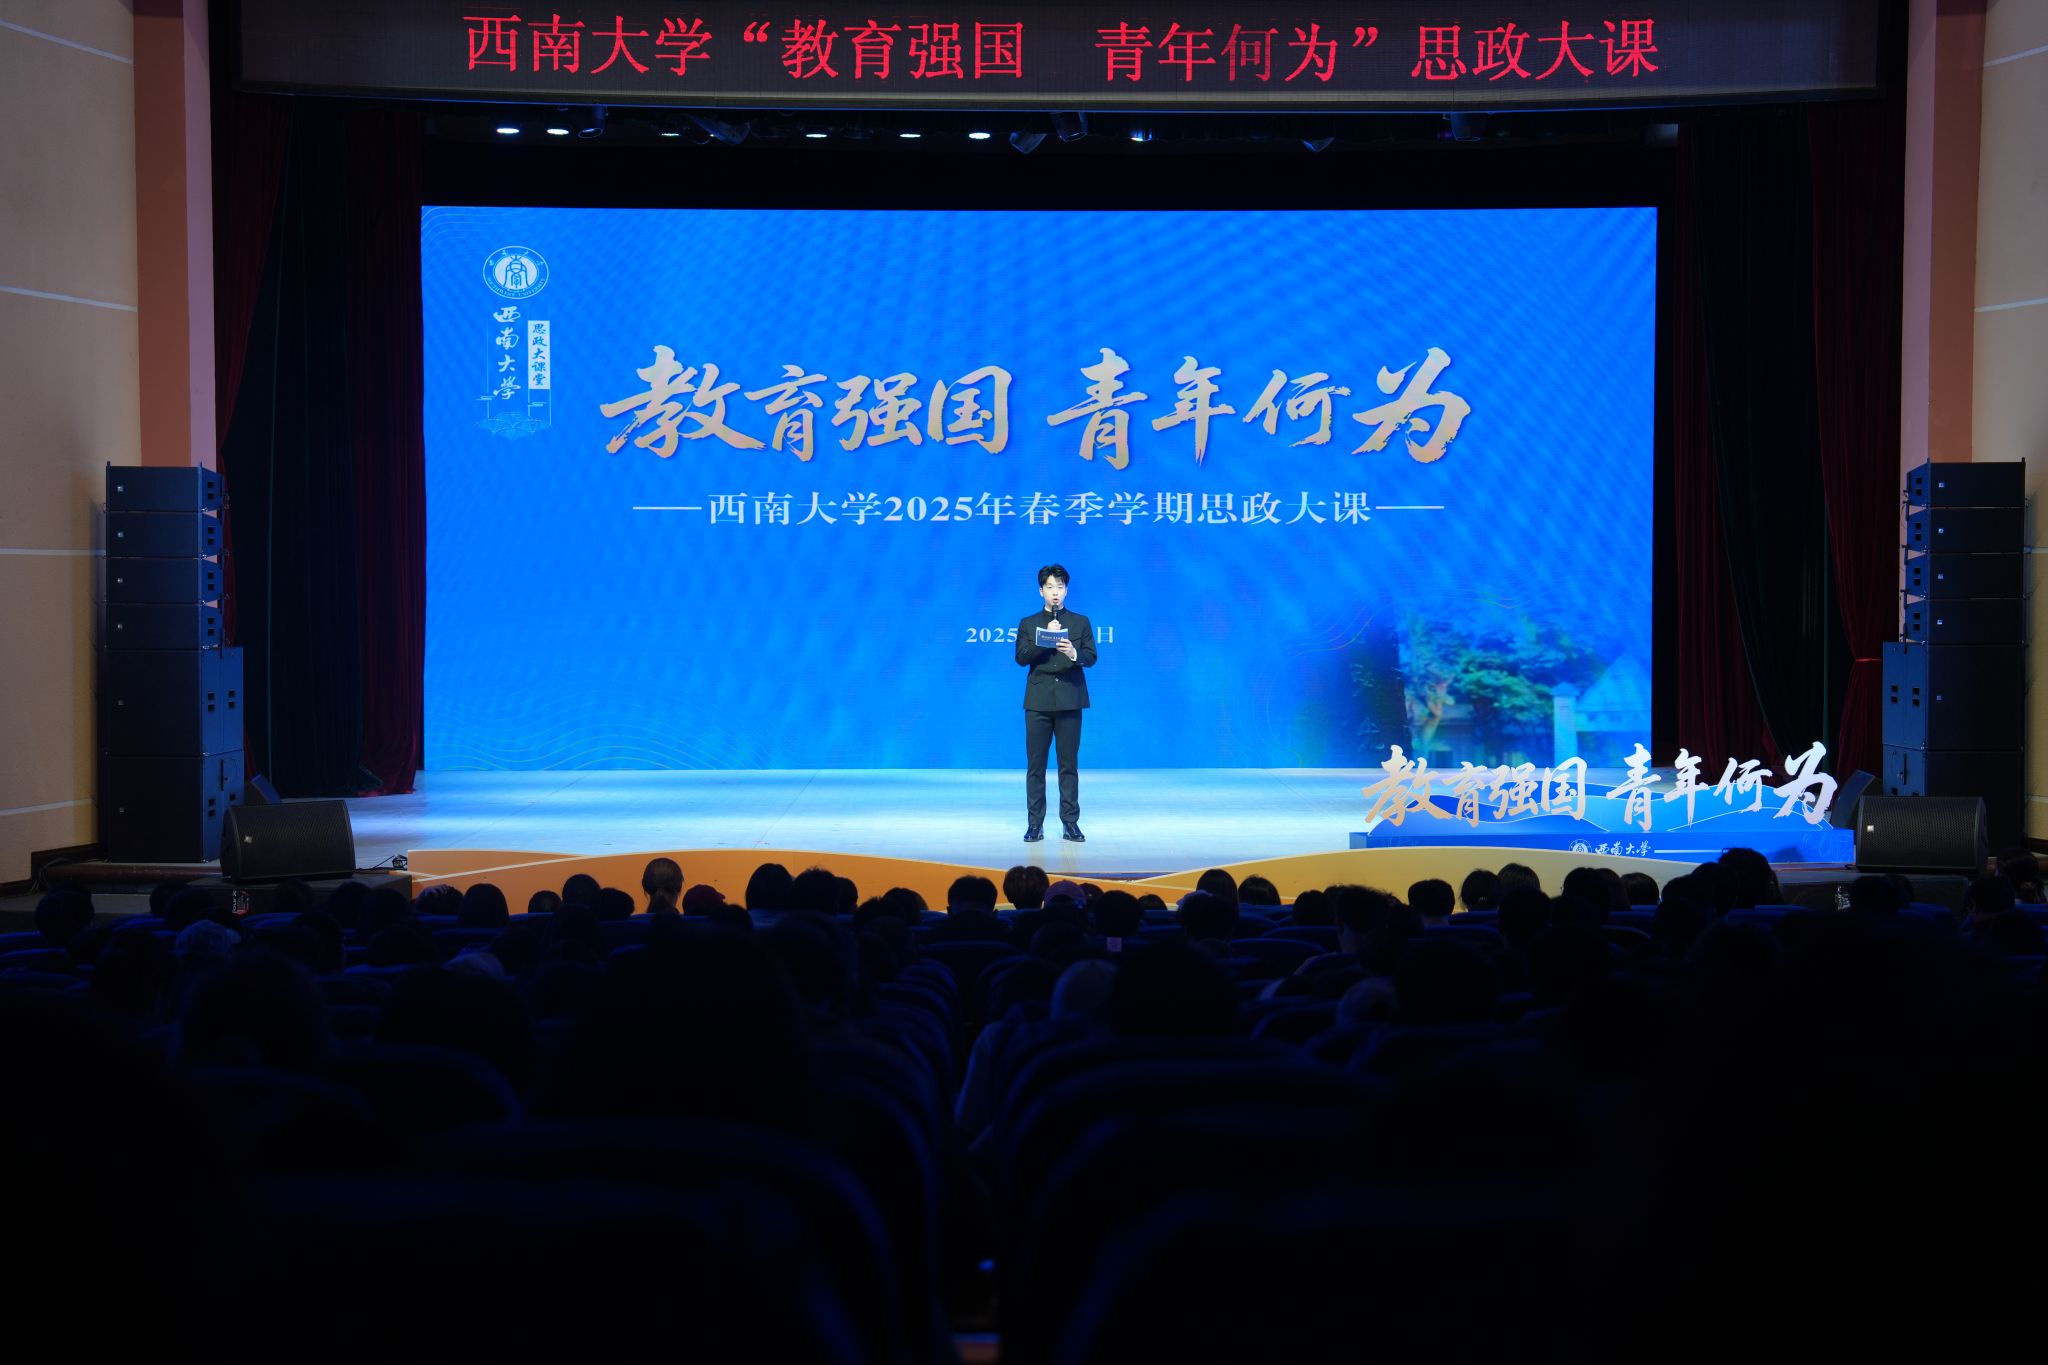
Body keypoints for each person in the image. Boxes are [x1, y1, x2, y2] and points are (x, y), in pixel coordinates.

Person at [1014, 562, 1098, 842]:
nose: (1055, 592)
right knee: (1036, 766)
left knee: (1068, 765)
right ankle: (1035, 824)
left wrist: (1074, 653)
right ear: (1041, 591)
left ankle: (1070, 823)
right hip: (1038, 702)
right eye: (1050, 587)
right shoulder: (1029, 623)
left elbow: (1091, 657)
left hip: (1070, 699)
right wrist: (1044, 639)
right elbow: (1021, 658)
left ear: (1066, 590)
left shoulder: (1080, 622)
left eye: (1059, 587)